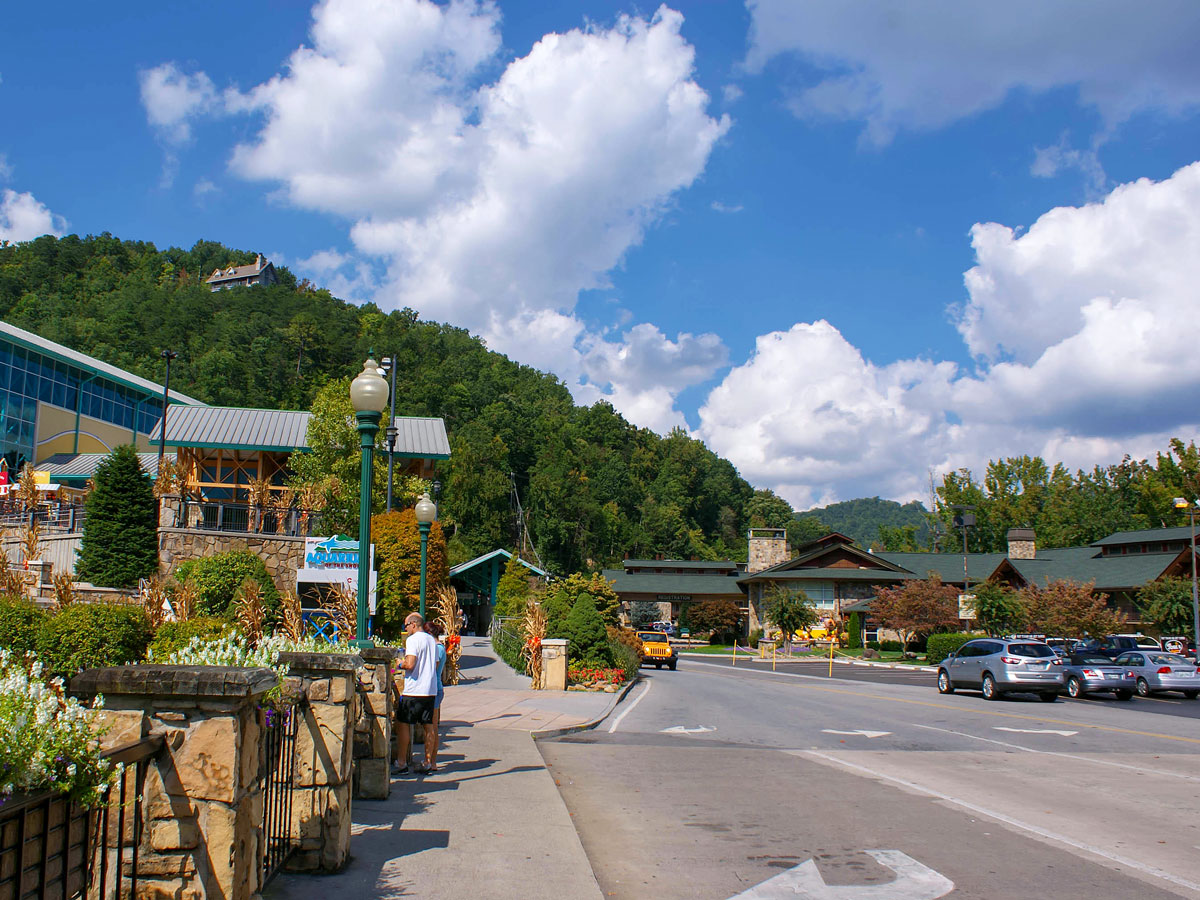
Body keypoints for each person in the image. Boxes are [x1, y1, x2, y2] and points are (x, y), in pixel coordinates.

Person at [394, 612, 439, 775]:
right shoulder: (431, 640)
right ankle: (427, 762)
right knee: (428, 726)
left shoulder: (413, 640)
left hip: (414, 690)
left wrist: (400, 664)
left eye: (406, 626)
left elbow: (410, 664)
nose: (406, 630)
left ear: (413, 624)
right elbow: (434, 664)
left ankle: (401, 762)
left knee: (403, 724)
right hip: (430, 689)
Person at [424, 621, 448, 772]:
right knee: (432, 726)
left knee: (432, 727)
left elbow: (433, 669)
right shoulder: (438, 648)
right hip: (435, 688)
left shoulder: (437, 649)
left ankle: (431, 761)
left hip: (435, 688)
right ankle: (431, 761)